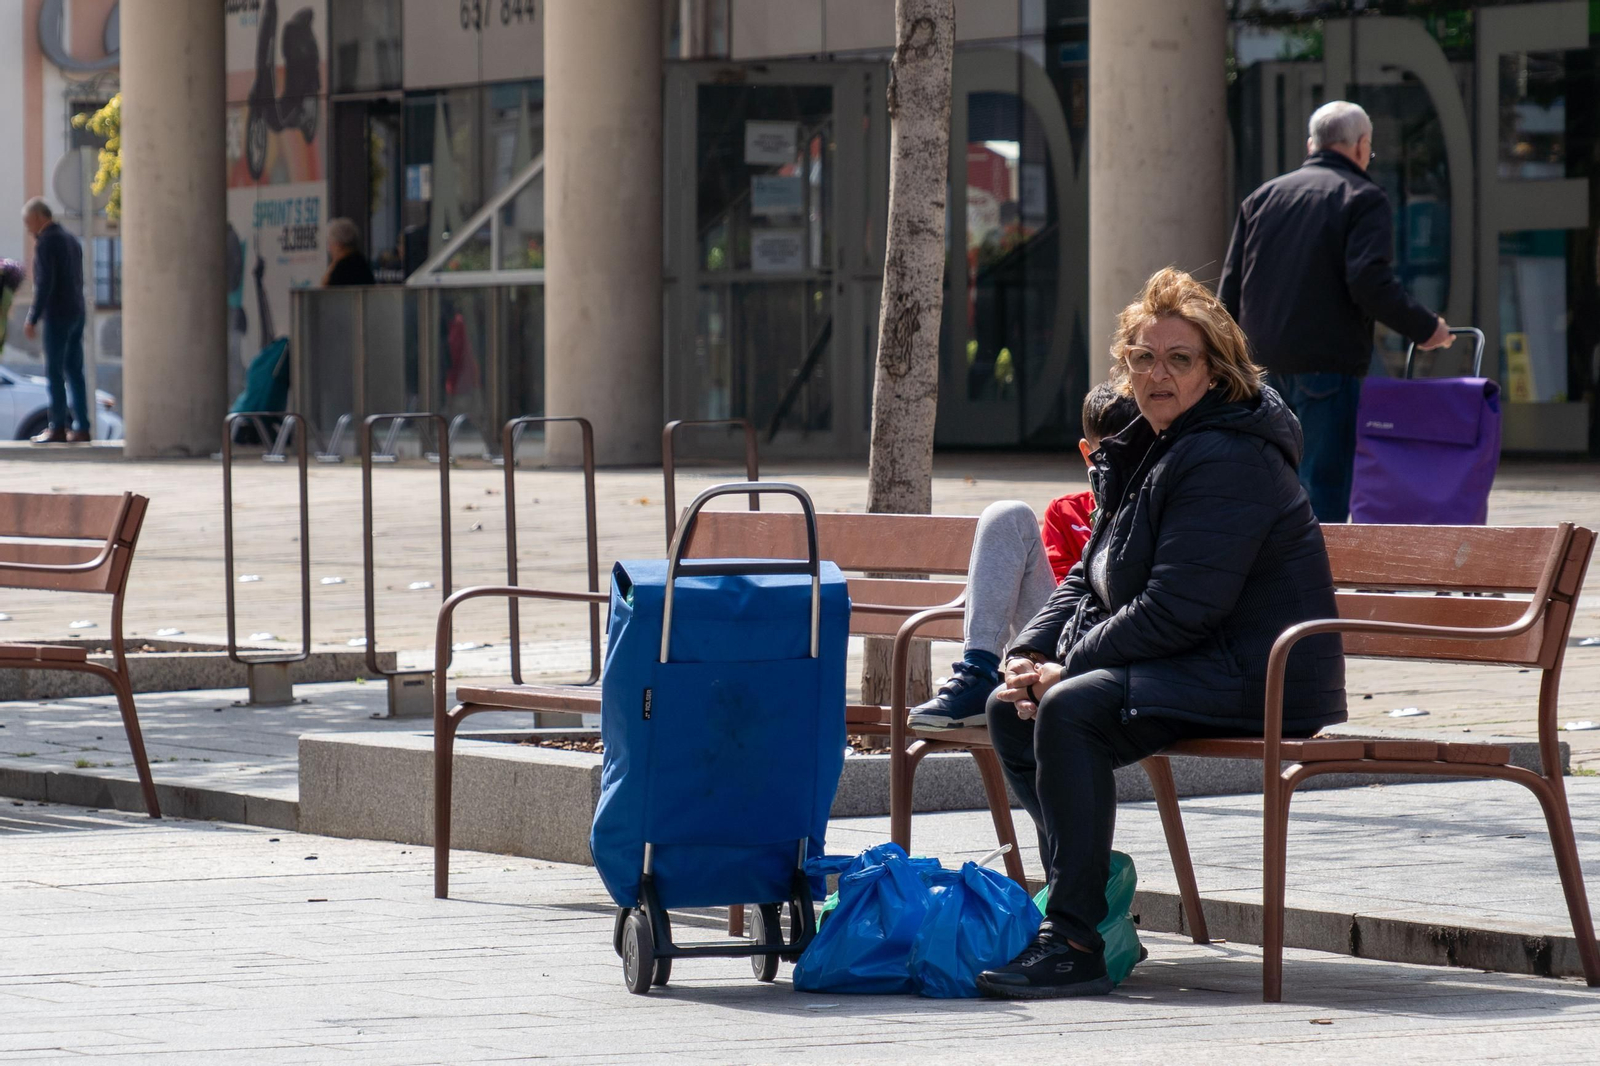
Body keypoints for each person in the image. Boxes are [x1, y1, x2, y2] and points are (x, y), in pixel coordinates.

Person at [975, 268, 1347, 1000]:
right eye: (1144, 358)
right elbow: (1090, 575)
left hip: (1256, 673)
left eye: (1179, 359)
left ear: (1216, 371)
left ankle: (1075, 939)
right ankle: (1087, 903)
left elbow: (1182, 605)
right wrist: (1029, 652)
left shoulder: (1230, 454)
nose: (1158, 374)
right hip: (1197, 659)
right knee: (1007, 710)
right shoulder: (1149, 444)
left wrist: (1067, 670)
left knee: (1071, 709)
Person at [1218, 100, 1454, 524]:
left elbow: (1229, 290)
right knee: (1321, 493)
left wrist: (1226, 364)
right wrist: (1425, 327)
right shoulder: (1363, 198)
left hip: (1257, 367)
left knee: (1264, 486)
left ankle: (1268, 587)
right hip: (1326, 367)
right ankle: (1317, 588)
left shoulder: (1261, 198)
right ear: (1362, 146)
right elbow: (1369, 282)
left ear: (1312, 144)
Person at [907, 381, 1140, 730]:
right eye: (1104, 456)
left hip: (1117, 648)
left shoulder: (1158, 505)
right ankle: (977, 670)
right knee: (1007, 514)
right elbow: (1063, 600)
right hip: (1055, 638)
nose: (1116, 466)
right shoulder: (1067, 511)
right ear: (1086, 453)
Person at [20, 198, 89, 443]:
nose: (28, 229)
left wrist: (33, 317)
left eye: (28, 222)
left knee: (55, 372)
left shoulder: (47, 242)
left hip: (58, 314)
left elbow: (44, 283)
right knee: (75, 372)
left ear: (39, 217)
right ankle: (81, 427)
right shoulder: (71, 239)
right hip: (77, 312)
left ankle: (57, 427)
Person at [321, 217, 376, 287]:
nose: (329, 249)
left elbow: (325, 293)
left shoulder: (341, 271)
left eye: (330, 244)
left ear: (339, 245)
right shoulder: (362, 264)